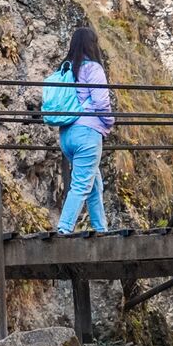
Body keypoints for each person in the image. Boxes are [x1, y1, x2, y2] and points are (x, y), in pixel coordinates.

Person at [56, 26, 115, 234]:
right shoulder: (92, 69)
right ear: (92, 45)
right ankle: (64, 229)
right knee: (81, 185)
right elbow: (101, 102)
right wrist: (109, 122)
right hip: (87, 134)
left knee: (94, 184)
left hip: (66, 136)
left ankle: (101, 229)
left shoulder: (65, 69)